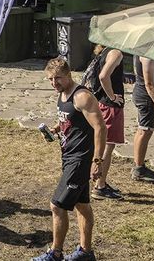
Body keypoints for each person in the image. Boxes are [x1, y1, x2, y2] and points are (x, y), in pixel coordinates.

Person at [33, 58, 106, 261]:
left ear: (69, 75)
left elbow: (100, 127)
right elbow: (70, 118)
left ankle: (55, 254)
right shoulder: (63, 93)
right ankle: (86, 252)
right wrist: (56, 129)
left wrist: (97, 161)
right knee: (82, 206)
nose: (54, 83)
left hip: (80, 159)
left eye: (58, 78)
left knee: (57, 206)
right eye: (50, 79)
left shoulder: (82, 96)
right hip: (68, 156)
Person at [87, 46, 125, 200]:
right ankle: (100, 186)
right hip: (110, 107)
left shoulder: (104, 51)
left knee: (101, 145)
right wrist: (113, 97)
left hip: (101, 104)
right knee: (107, 147)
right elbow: (103, 76)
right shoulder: (116, 52)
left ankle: (98, 182)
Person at [132, 55, 154, 183]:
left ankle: (138, 164)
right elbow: (149, 83)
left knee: (142, 130)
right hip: (147, 98)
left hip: (143, 95)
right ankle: (139, 169)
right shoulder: (148, 56)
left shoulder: (143, 51)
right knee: (145, 131)